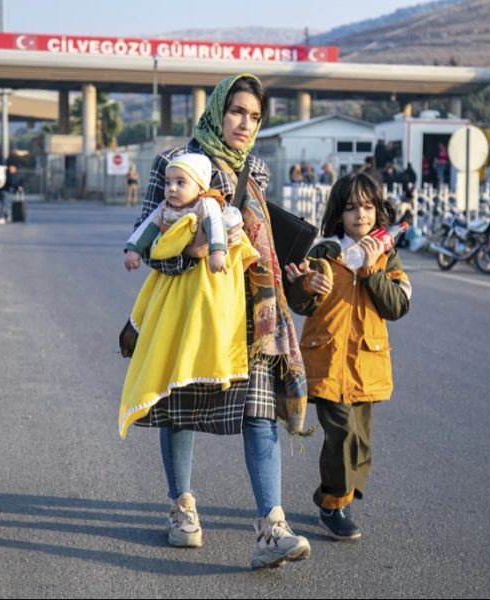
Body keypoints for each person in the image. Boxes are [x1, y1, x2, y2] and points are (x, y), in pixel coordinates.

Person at [129, 73, 310, 570]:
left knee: (259, 411)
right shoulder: (173, 163)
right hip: (189, 314)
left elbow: (260, 241)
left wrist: (289, 271)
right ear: (216, 110)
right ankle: (181, 506)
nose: (245, 124)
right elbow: (145, 242)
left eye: (255, 116)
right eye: (237, 112)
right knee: (181, 408)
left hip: (247, 318)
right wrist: (201, 248)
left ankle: (272, 526)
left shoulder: (257, 171)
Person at [285, 172, 411, 540]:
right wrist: (307, 283)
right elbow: (298, 301)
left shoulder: (387, 255)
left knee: (360, 442)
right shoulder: (324, 250)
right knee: (340, 435)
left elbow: (397, 305)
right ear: (339, 214)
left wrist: (372, 270)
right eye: (352, 207)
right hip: (326, 360)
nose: (361, 214)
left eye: (368, 206)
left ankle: (334, 495)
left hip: (366, 365)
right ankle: (334, 504)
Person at [119, 152, 259, 434]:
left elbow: (216, 228)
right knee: (174, 411)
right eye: (169, 183)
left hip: (213, 287)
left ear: (199, 186)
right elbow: (146, 229)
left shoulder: (208, 204)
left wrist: (217, 252)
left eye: (180, 183)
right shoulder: (164, 206)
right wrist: (134, 250)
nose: (171, 188)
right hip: (173, 290)